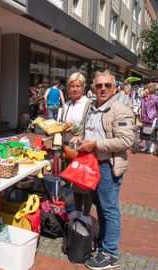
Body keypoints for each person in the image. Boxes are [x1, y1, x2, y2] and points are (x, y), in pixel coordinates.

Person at [77, 70, 134, 270]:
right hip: (92, 166)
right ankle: (103, 242)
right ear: (93, 88)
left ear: (115, 88)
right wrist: (81, 140)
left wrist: (94, 145)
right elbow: (91, 131)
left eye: (107, 85)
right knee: (99, 207)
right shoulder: (92, 107)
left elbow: (126, 140)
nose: (103, 89)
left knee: (109, 210)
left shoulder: (121, 109)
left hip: (108, 168)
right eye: (99, 85)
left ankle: (110, 254)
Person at [60, 72, 93, 225]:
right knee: (71, 181)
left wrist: (77, 133)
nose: (75, 89)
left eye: (78, 86)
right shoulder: (66, 104)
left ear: (83, 87)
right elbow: (63, 124)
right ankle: (75, 210)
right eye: (72, 86)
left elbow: (91, 126)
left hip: (83, 149)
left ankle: (86, 214)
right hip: (68, 149)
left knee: (84, 183)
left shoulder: (88, 103)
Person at [139, 83, 158, 153]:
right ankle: (146, 147)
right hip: (144, 117)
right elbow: (141, 106)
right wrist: (139, 112)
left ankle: (151, 148)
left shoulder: (155, 98)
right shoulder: (143, 98)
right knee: (144, 132)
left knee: (150, 133)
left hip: (152, 117)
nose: (144, 90)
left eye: (146, 89)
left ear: (150, 90)